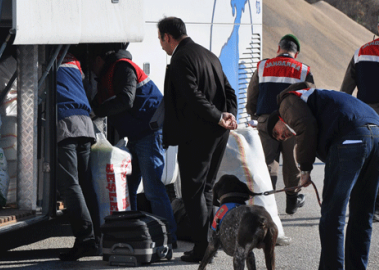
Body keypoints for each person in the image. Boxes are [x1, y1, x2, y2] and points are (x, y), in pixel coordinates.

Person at [267, 81, 379, 270]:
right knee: (362, 215)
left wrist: (305, 169)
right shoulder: (317, 98)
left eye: (276, 133)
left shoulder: (286, 101)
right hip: (376, 136)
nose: (282, 137)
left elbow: (304, 124)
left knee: (332, 216)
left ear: (279, 117)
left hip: (351, 138)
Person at [157, 17, 238, 263]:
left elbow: (192, 96)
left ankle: (203, 248)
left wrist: (217, 117)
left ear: (168, 37)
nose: (161, 46)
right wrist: (229, 115)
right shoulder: (208, 55)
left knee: (193, 192)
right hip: (217, 132)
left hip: (198, 133)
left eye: (161, 40)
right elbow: (229, 90)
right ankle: (207, 245)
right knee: (206, 188)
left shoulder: (181, 59)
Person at [88, 46, 178, 246]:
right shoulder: (106, 77)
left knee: (153, 188)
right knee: (128, 188)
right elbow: (99, 103)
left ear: (100, 60)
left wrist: (98, 111)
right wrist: (92, 110)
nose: (91, 69)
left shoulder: (122, 68)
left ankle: (169, 238)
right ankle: (135, 234)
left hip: (149, 133)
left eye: (92, 63)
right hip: (136, 135)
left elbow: (126, 100)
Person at [246, 34, 314, 215]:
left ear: (278, 48)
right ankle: (291, 202)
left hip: (267, 122)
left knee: (268, 162)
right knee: (292, 162)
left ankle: (267, 204)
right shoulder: (303, 70)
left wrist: (256, 116)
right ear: (296, 53)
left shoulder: (263, 66)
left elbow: (252, 95)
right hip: (292, 123)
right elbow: (311, 100)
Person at [56, 52, 100, 261]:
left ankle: (85, 238)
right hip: (85, 124)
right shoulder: (74, 62)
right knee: (85, 182)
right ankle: (97, 237)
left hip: (66, 124)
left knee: (70, 184)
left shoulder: (45, 59)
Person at [340, 20, 379, 222]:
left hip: (365, 113)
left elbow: (347, 87)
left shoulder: (361, 52)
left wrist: (341, 112)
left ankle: (366, 206)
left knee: (367, 159)